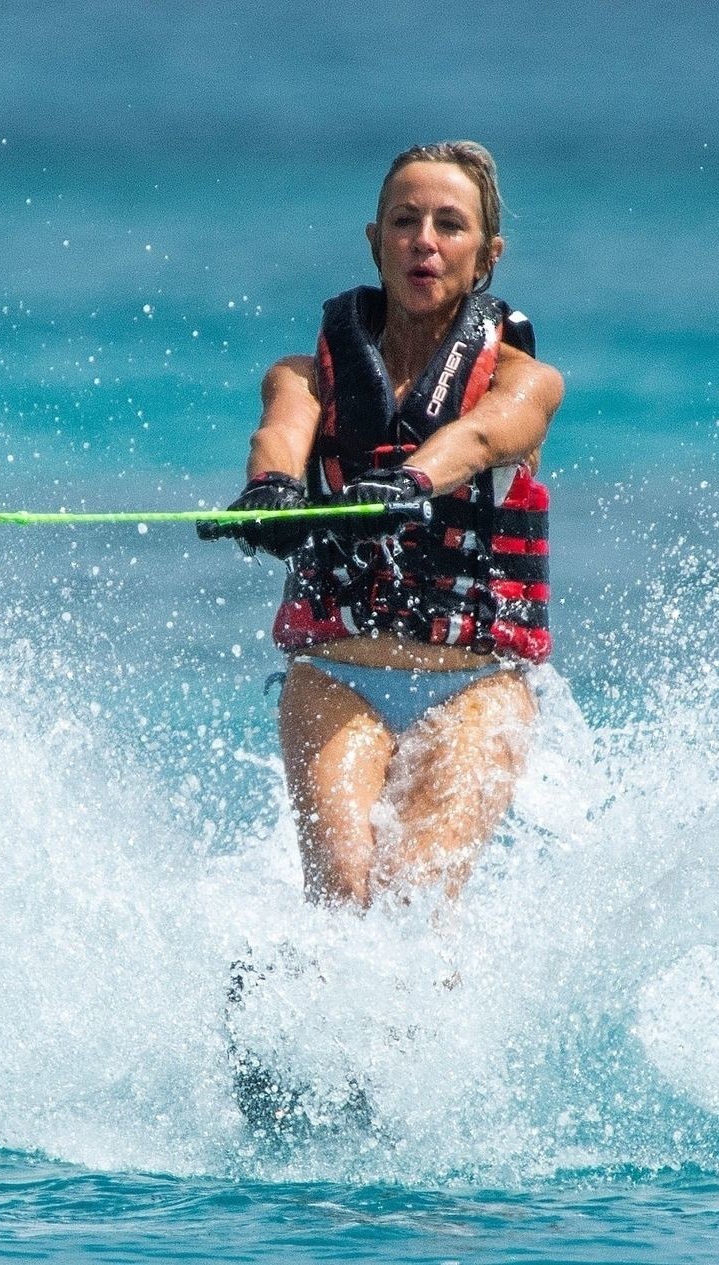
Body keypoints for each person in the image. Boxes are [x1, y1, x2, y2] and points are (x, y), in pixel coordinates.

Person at [202, 141, 564, 910]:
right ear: (376, 241)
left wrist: (411, 480)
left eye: (449, 224)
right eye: (405, 221)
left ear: (487, 255)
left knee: (414, 897)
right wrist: (270, 490)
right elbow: (280, 434)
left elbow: (482, 437)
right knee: (341, 893)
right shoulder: (303, 376)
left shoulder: (523, 381)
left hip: (477, 685)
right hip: (336, 676)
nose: (424, 241)